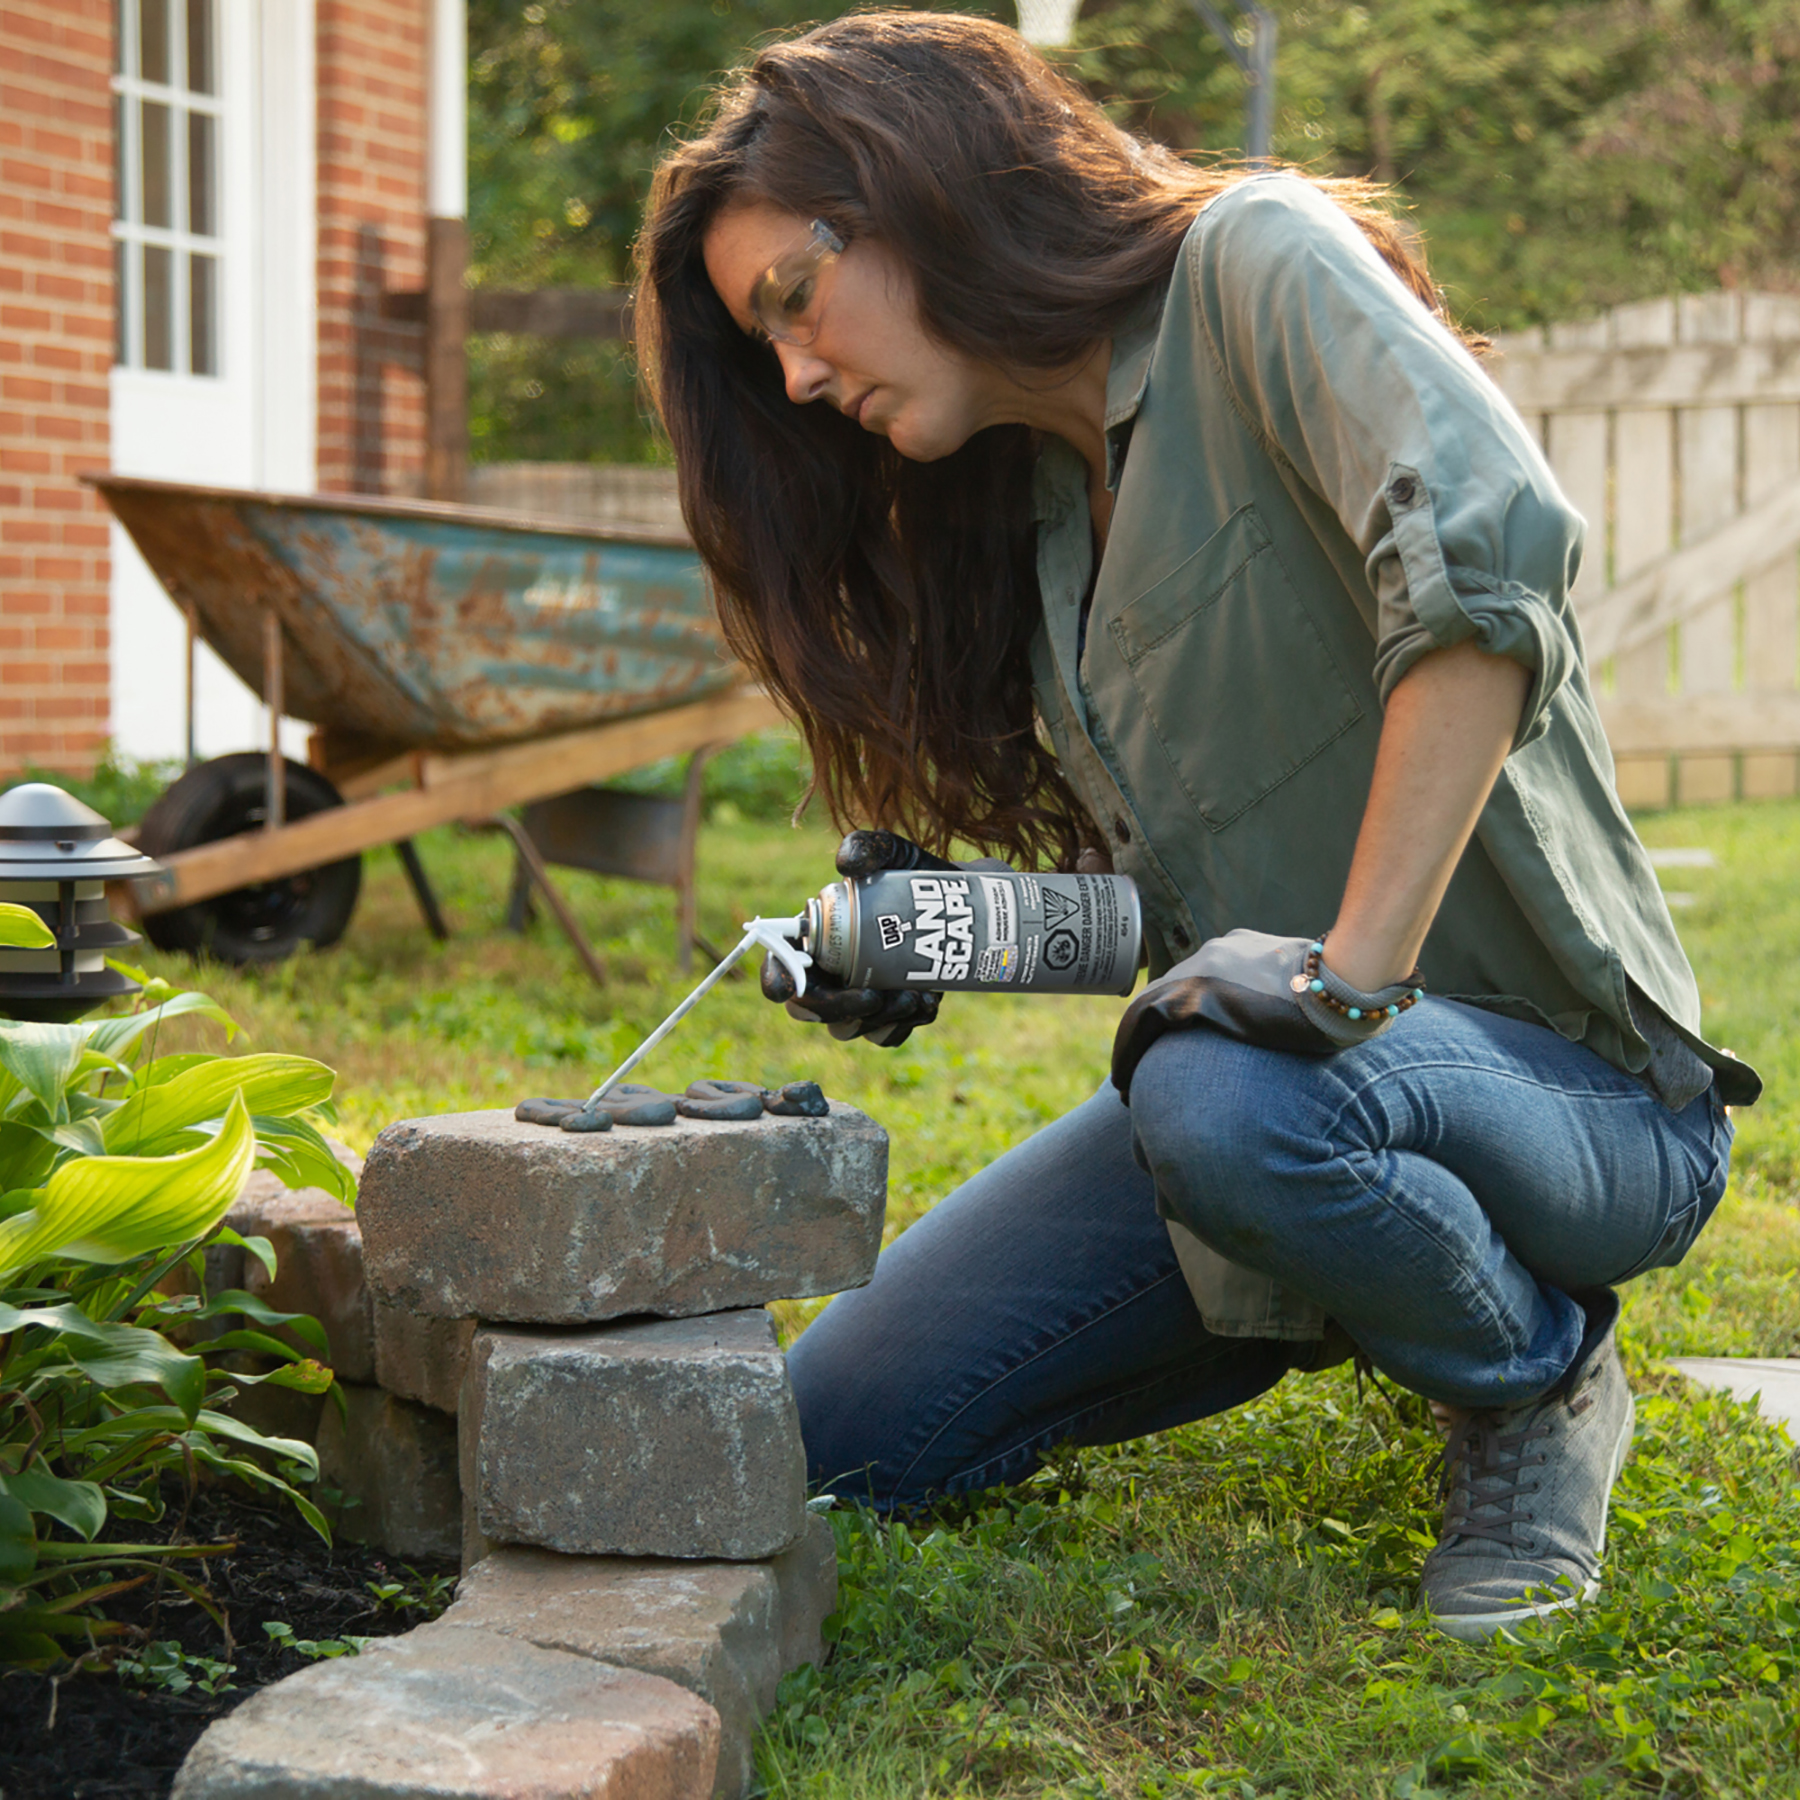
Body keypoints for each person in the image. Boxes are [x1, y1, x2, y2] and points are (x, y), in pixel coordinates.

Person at [635, 11, 1757, 1640]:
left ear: (915, 182)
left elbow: (1490, 559)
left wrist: (1353, 985)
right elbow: (1194, 926)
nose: (799, 377)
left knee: (1226, 1100)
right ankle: (1340, 1255)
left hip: (1575, 1102)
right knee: (834, 1438)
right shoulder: (1032, 520)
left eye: (792, 304)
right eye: (770, 354)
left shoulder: (1253, 265)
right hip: (1273, 1096)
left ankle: (1534, 1385)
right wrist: (944, 930)